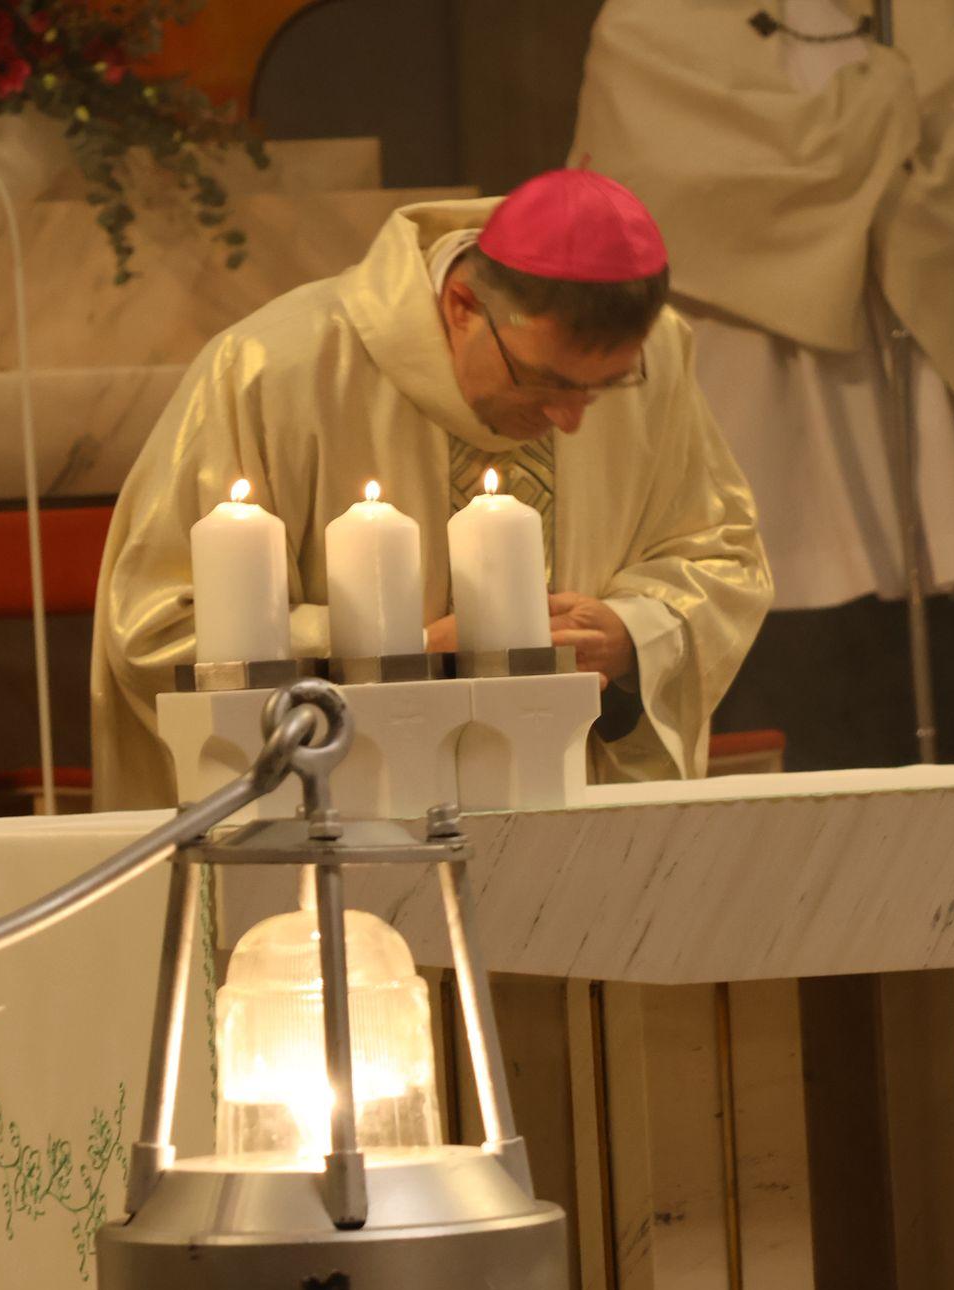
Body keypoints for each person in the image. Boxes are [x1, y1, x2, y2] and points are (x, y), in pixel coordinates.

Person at [93, 168, 772, 810]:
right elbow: (155, 624)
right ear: (462, 306)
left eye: (605, 387)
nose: (570, 420)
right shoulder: (274, 370)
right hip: (340, 812)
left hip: (579, 812)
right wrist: (392, 649)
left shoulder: (657, 354)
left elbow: (722, 558)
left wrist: (633, 634)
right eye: (547, 382)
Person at [570, 0, 954, 769]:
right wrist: (877, 148)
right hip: (747, 402)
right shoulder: (651, 27)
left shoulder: (953, 30)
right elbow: (657, 195)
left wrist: (833, 178)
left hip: (917, 426)